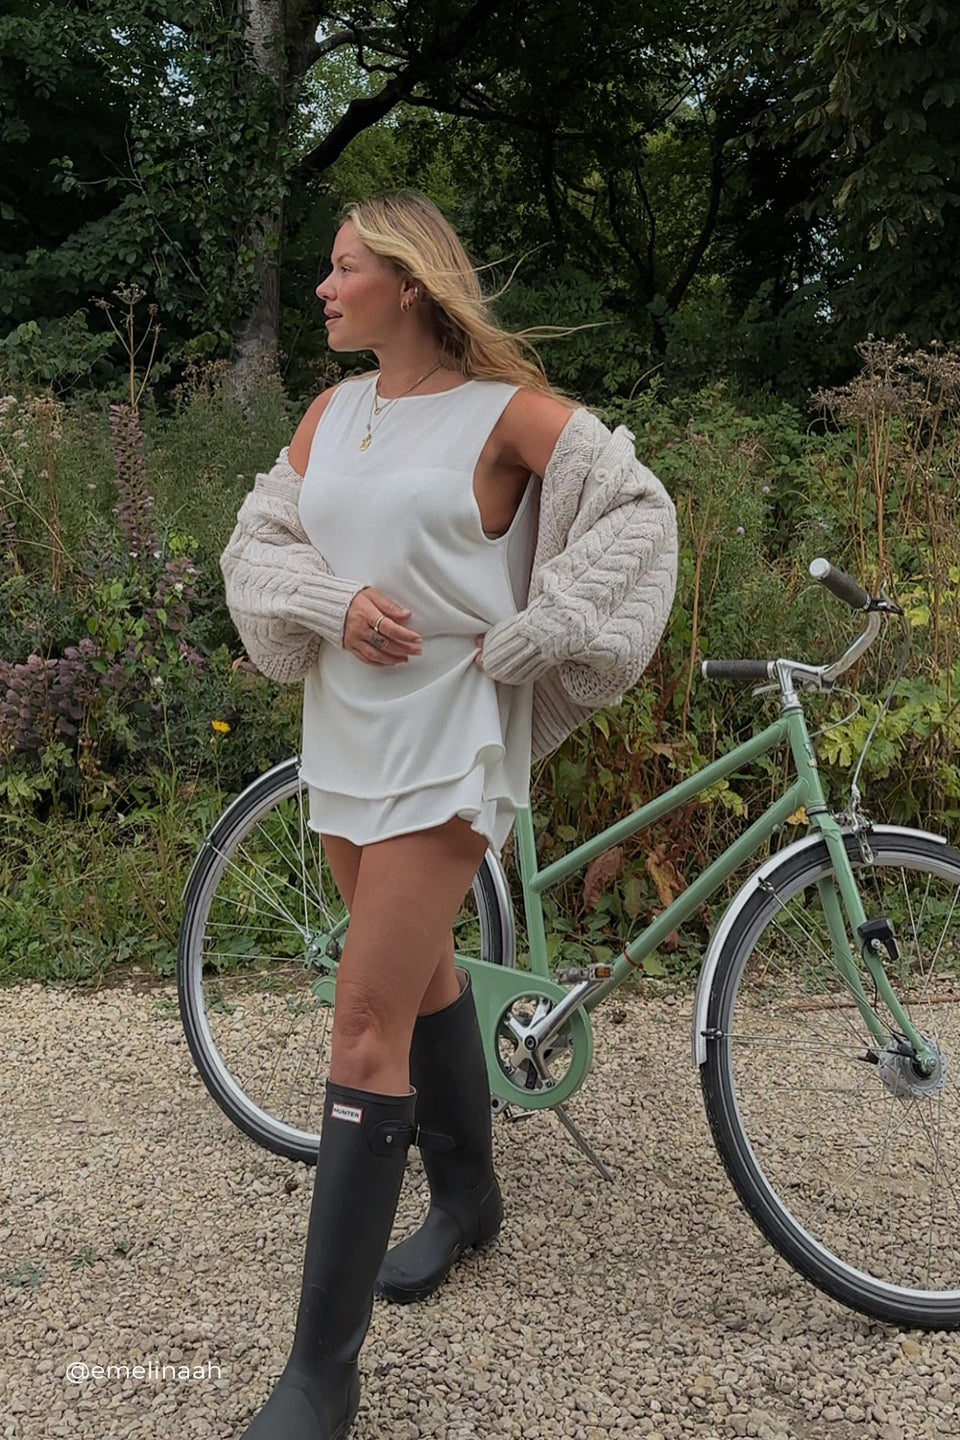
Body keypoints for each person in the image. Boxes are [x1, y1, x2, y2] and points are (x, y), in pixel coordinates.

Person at [220, 190, 678, 1440]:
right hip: (345, 734)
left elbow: (638, 515)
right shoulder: (331, 415)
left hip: (448, 734)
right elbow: (255, 549)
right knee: (419, 978)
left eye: (343, 268)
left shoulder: (504, 414)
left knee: (361, 1024)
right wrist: (330, 606)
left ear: (411, 282)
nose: (324, 288)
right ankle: (469, 1201)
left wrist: (553, 621)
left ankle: (320, 1377)